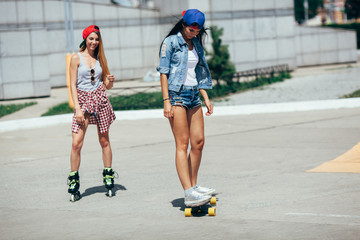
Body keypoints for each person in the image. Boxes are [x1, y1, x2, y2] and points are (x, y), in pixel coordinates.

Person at [157, 9, 215, 207]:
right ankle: (188, 192)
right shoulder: (171, 42)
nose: (193, 33)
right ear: (184, 24)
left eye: (197, 31)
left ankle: (194, 185)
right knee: (182, 144)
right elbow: (163, 73)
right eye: (191, 29)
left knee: (198, 142)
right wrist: (166, 101)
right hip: (177, 96)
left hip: (194, 95)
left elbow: (197, 73)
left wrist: (205, 97)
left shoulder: (196, 43)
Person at [67, 25, 117, 201]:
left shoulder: (100, 58)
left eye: (96, 39)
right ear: (85, 39)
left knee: (104, 140)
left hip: (100, 99)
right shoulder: (76, 58)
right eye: (91, 39)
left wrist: (110, 82)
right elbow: (73, 84)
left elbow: (105, 85)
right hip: (83, 101)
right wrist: (77, 108)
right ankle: (73, 180)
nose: (94, 42)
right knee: (76, 143)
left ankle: (108, 175)